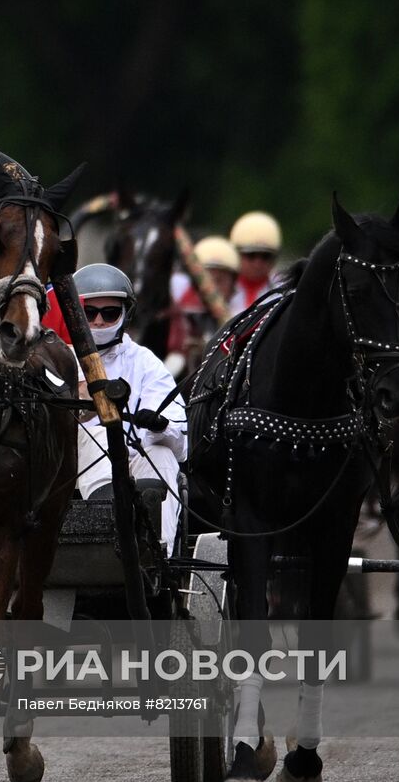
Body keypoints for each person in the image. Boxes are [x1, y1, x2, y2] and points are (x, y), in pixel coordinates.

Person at [72, 263, 188, 555]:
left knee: (161, 452)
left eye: (109, 313)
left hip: (133, 466)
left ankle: (157, 552)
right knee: (95, 434)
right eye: (90, 312)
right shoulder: (58, 356)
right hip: (67, 471)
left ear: (126, 314)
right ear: (75, 313)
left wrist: (161, 425)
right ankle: (110, 518)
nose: (98, 321)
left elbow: (181, 439)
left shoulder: (145, 362)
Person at [177, 235, 239, 366]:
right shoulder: (179, 319)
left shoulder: (242, 319)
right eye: (206, 280)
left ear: (233, 284)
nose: (211, 288)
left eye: (219, 280)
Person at [228, 210, 282, 316]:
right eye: (251, 255)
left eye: (265, 256)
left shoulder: (284, 291)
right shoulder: (218, 287)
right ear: (236, 255)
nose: (258, 263)